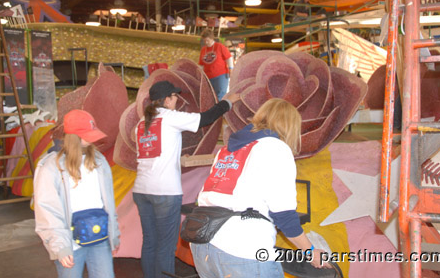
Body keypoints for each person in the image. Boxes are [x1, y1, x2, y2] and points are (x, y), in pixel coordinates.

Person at [190, 98, 325, 278]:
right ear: (291, 127)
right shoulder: (276, 149)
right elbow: (284, 215)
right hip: (243, 251)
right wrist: (310, 251)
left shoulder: (225, 151)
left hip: (203, 246)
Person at [133, 80, 239, 278]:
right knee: (165, 246)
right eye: (174, 96)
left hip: (141, 190)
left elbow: (152, 153)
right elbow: (205, 118)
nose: (177, 100)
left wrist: (176, 159)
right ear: (166, 100)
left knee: (150, 242)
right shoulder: (169, 117)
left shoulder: (142, 122)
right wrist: (228, 102)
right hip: (164, 191)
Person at [34, 109, 120, 278]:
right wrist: (60, 246)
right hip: (69, 242)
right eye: (87, 133)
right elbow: (47, 210)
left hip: (99, 238)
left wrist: (114, 233)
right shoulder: (51, 168)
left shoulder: (99, 161)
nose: (93, 138)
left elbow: (109, 202)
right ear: (73, 137)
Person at [199, 29, 234, 100]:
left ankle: (221, 109)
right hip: (208, 77)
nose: (206, 42)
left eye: (207, 40)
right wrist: (200, 74)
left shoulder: (219, 46)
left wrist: (231, 69)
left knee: (221, 94)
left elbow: (229, 58)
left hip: (221, 75)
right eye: (204, 40)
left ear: (212, 38)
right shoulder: (203, 49)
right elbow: (201, 64)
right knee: (211, 96)